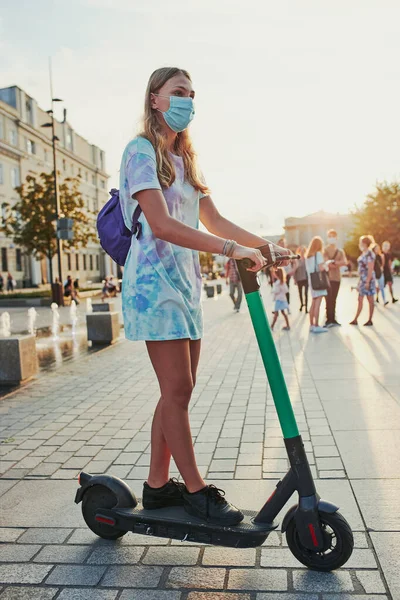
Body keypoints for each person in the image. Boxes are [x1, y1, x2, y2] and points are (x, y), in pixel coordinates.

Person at [118, 67, 289, 525]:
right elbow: (162, 225)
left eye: (192, 94)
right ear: (155, 99)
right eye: (178, 92)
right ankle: (196, 491)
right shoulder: (140, 151)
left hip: (185, 284)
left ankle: (156, 487)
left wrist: (266, 247)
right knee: (178, 388)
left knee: (177, 391)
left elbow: (215, 221)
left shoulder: (187, 162)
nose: (187, 101)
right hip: (153, 286)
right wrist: (233, 251)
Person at [350, 236, 376, 326]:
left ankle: (370, 319)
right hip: (362, 279)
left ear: (364, 243)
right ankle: (356, 319)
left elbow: (370, 269)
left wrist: (368, 281)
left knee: (370, 299)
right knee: (360, 299)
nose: (359, 244)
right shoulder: (363, 253)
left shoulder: (370, 254)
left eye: (361, 242)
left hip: (368, 280)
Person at [323, 230, 347, 327]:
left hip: (337, 278)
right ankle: (329, 319)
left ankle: (333, 319)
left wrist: (333, 263)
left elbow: (344, 262)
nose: (331, 237)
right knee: (328, 299)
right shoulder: (324, 250)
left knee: (334, 299)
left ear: (336, 238)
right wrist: (337, 263)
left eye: (333, 236)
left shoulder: (340, 251)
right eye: (330, 236)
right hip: (327, 278)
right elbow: (326, 263)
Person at [305, 236, 329, 333]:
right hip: (319, 281)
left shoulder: (308, 256)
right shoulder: (318, 254)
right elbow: (321, 268)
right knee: (318, 304)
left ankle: (311, 325)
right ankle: (316, 325)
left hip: (312, 280)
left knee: (313, 303)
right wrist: (326, 264)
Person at [293, 246, 308, 313]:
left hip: (306, 278)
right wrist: (295, 279)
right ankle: (302, 304)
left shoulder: (307, 259)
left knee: (306, 293)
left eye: (303, 251)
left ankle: (306, 308)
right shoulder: (297, 260)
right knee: (300, 293)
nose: (302, 252)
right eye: (301, 251)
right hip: (299, 279)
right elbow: (295, 271)